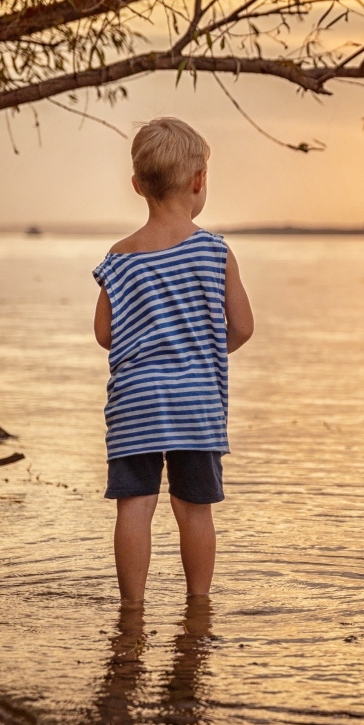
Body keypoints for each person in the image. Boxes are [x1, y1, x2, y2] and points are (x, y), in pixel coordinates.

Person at [92, 117, 254, 608]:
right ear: (199, 181)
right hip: (195, 404)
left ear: (138, 185)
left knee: (134, 507)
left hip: (136, 405)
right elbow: (243, 327)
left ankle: (132, 611)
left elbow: (104, 334)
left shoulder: (119, 258)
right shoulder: (214, 250)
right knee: (195, 509)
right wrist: (198, 350)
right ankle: (198, 606)